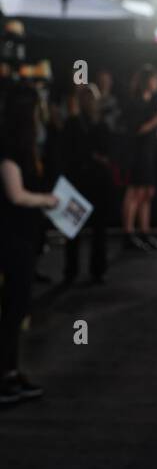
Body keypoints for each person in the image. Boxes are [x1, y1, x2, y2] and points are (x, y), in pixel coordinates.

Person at [0, 83, 58, 405]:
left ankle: (11, 372)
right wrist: (45, 200)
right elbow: (16, 194)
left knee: (17, 308)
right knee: (13, 310)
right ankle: (6, 376)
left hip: (22, 236)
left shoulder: (24, 147)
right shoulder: (10, 148)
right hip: (12, 239)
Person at [60, 82, 113, 284]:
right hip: (80, 180)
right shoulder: (73, 123)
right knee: (73, 229)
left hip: (94, 180)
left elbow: (107, 153)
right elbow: (68, 151)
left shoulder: (100, 124)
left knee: (95, 229)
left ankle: (94, 270)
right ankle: (74, 271)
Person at [122, 64, 157, 251]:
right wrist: (156, 121)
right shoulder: (134, 103)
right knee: (135, 192)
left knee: (148, 192)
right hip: (137, 153)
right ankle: (128, 233)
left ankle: (144, 231)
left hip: (150, 152)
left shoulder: (151, 102)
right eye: (154, 79)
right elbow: (137, 130)